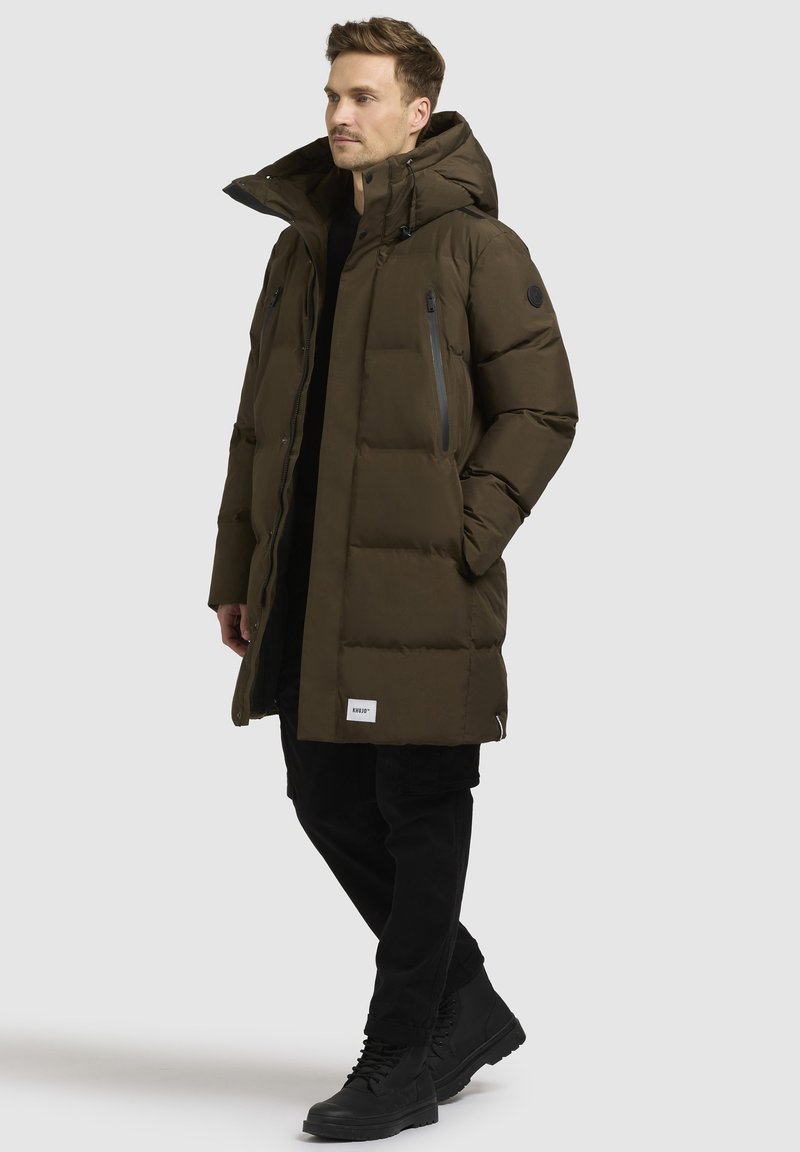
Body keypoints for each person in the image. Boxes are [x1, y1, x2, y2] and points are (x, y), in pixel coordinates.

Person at [209, 16, 577, 1141]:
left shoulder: (474, 246)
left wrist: (461, 534)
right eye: (332, 93)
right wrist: (237, 569)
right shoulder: (300, 247)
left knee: (419, 808)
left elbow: (542, 409)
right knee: (321, 794)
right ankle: (463, 1005)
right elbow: (259, 425)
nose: (338, 114)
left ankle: (402, 1056)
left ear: (419, 113)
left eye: (362, 96)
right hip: (307, 583)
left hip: (424, 591)